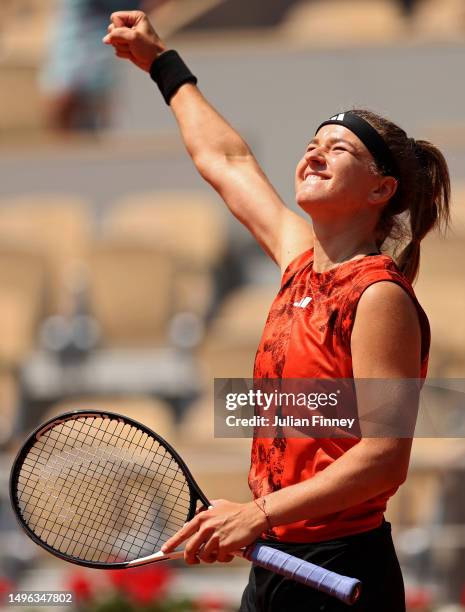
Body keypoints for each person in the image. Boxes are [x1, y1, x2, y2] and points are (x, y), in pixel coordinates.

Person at [103, 11, 450, 611]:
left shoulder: (379, 296)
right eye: (311, 145)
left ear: (380, 189)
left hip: (341, 567)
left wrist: (256, 513)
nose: (314, 156)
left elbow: (384, 458)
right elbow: (228, 162)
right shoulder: (299, 262)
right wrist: (163, 66)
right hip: (277, 565)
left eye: (337, 149)